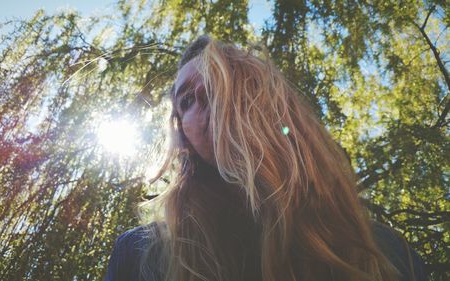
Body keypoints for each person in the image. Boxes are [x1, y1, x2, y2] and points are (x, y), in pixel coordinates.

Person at [103, 35, 428, 281]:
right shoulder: (142, 256)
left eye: (220, 82)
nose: (204, 98)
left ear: (272, 104)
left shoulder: (386, 254)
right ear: (184, 137)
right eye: (186, 99)